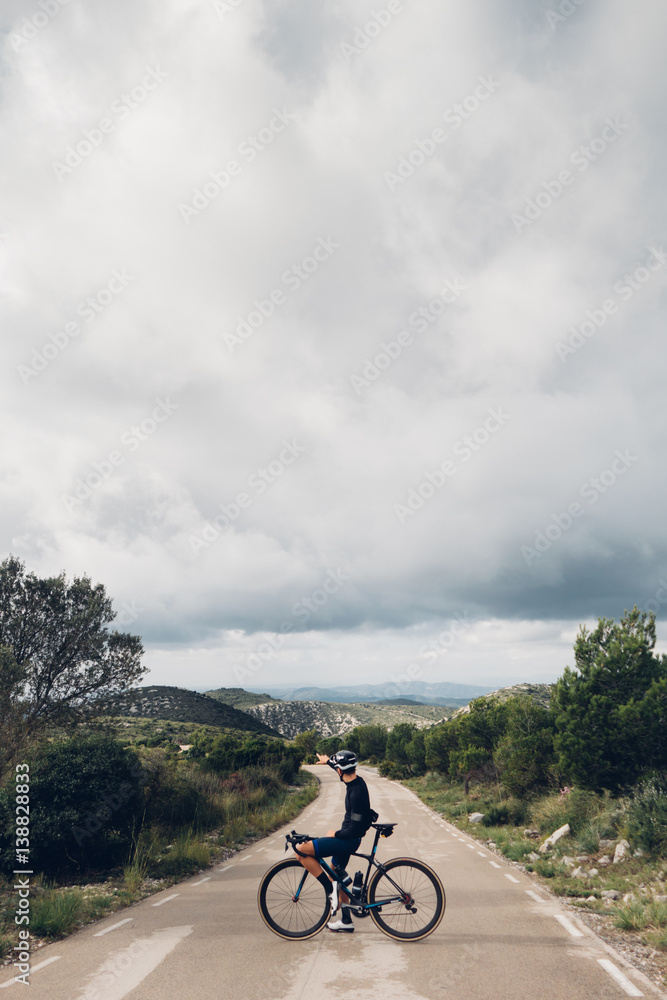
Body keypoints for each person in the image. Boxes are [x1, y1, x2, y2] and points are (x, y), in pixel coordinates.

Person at [293, 749, 375, 933]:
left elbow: (355, 829)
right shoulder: (356, 781)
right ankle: (346, 921)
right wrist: (328, 761)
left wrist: (335, 834)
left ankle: (331, 891)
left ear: (340, 770)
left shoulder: (356, 794)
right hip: (349, 839)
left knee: (300, 851)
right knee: (336, 874)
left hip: (347, 840)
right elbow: (342, 768)